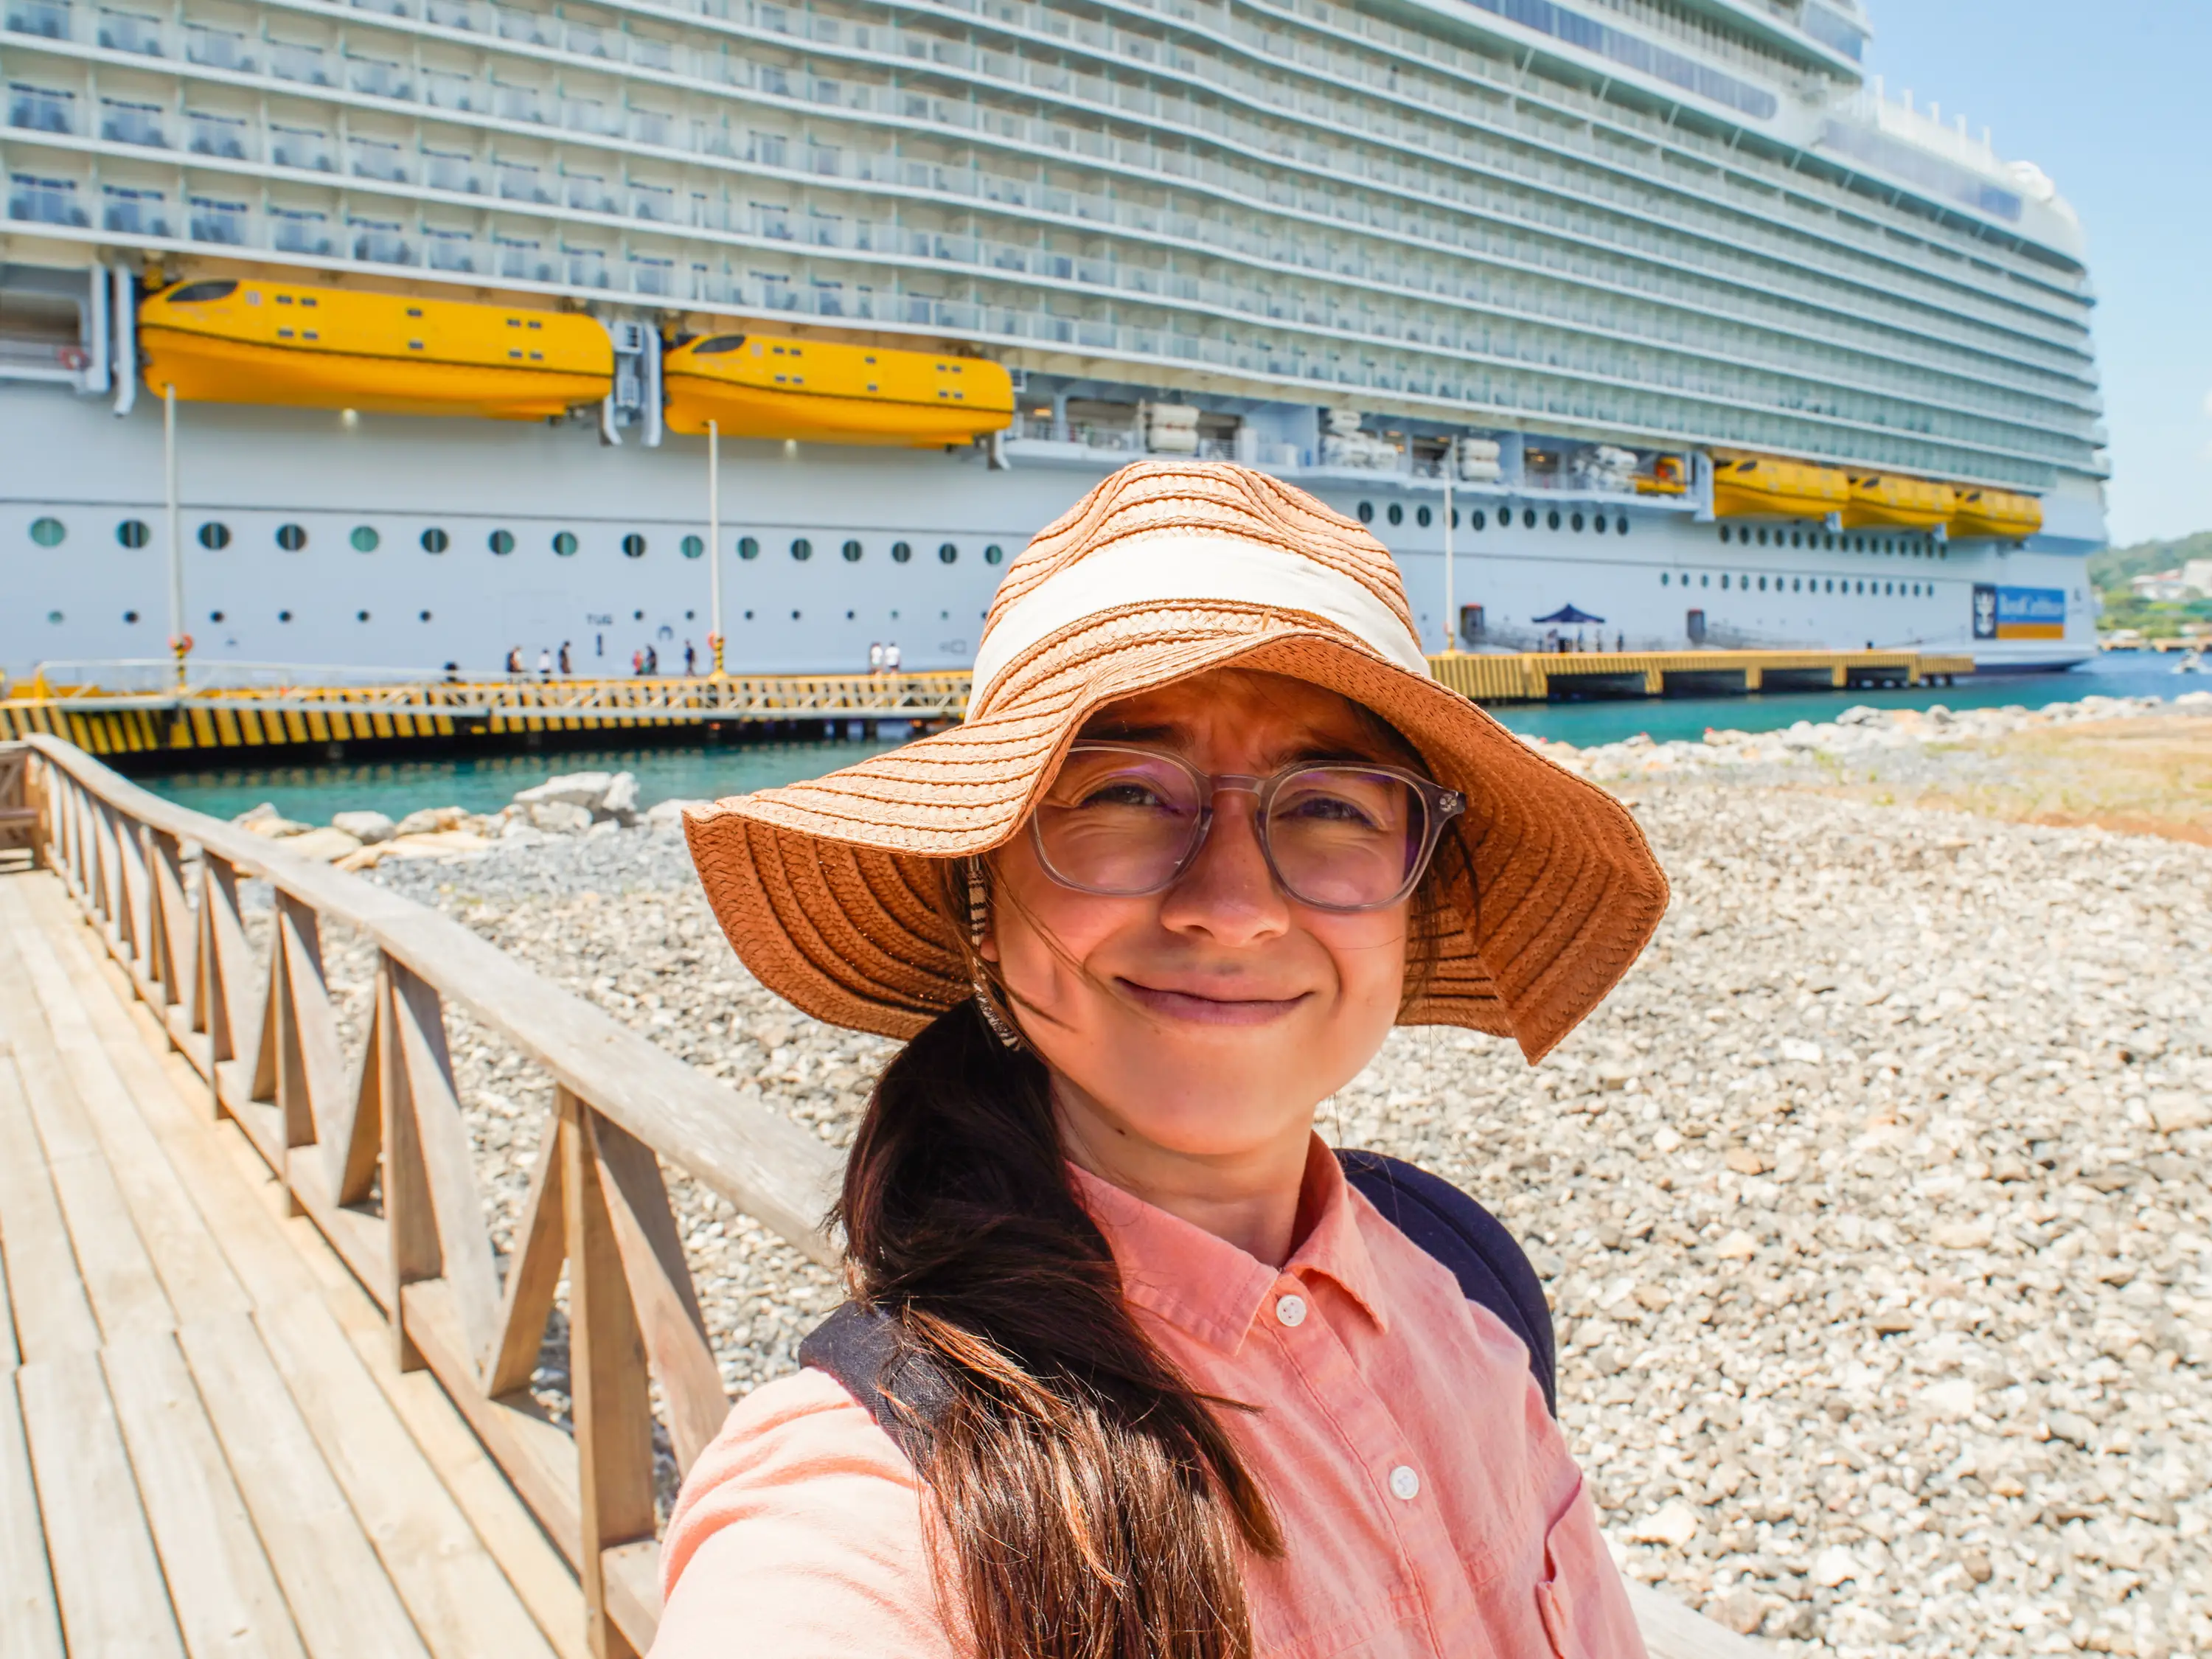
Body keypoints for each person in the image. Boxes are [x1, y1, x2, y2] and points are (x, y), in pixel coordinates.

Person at [662, 462, 1666, 1659]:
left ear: (1413, 904)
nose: (1232, 905)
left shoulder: (1467, 1290)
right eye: (1127, 791)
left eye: (1334, 804)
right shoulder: (881, 1499)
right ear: (981, 895)